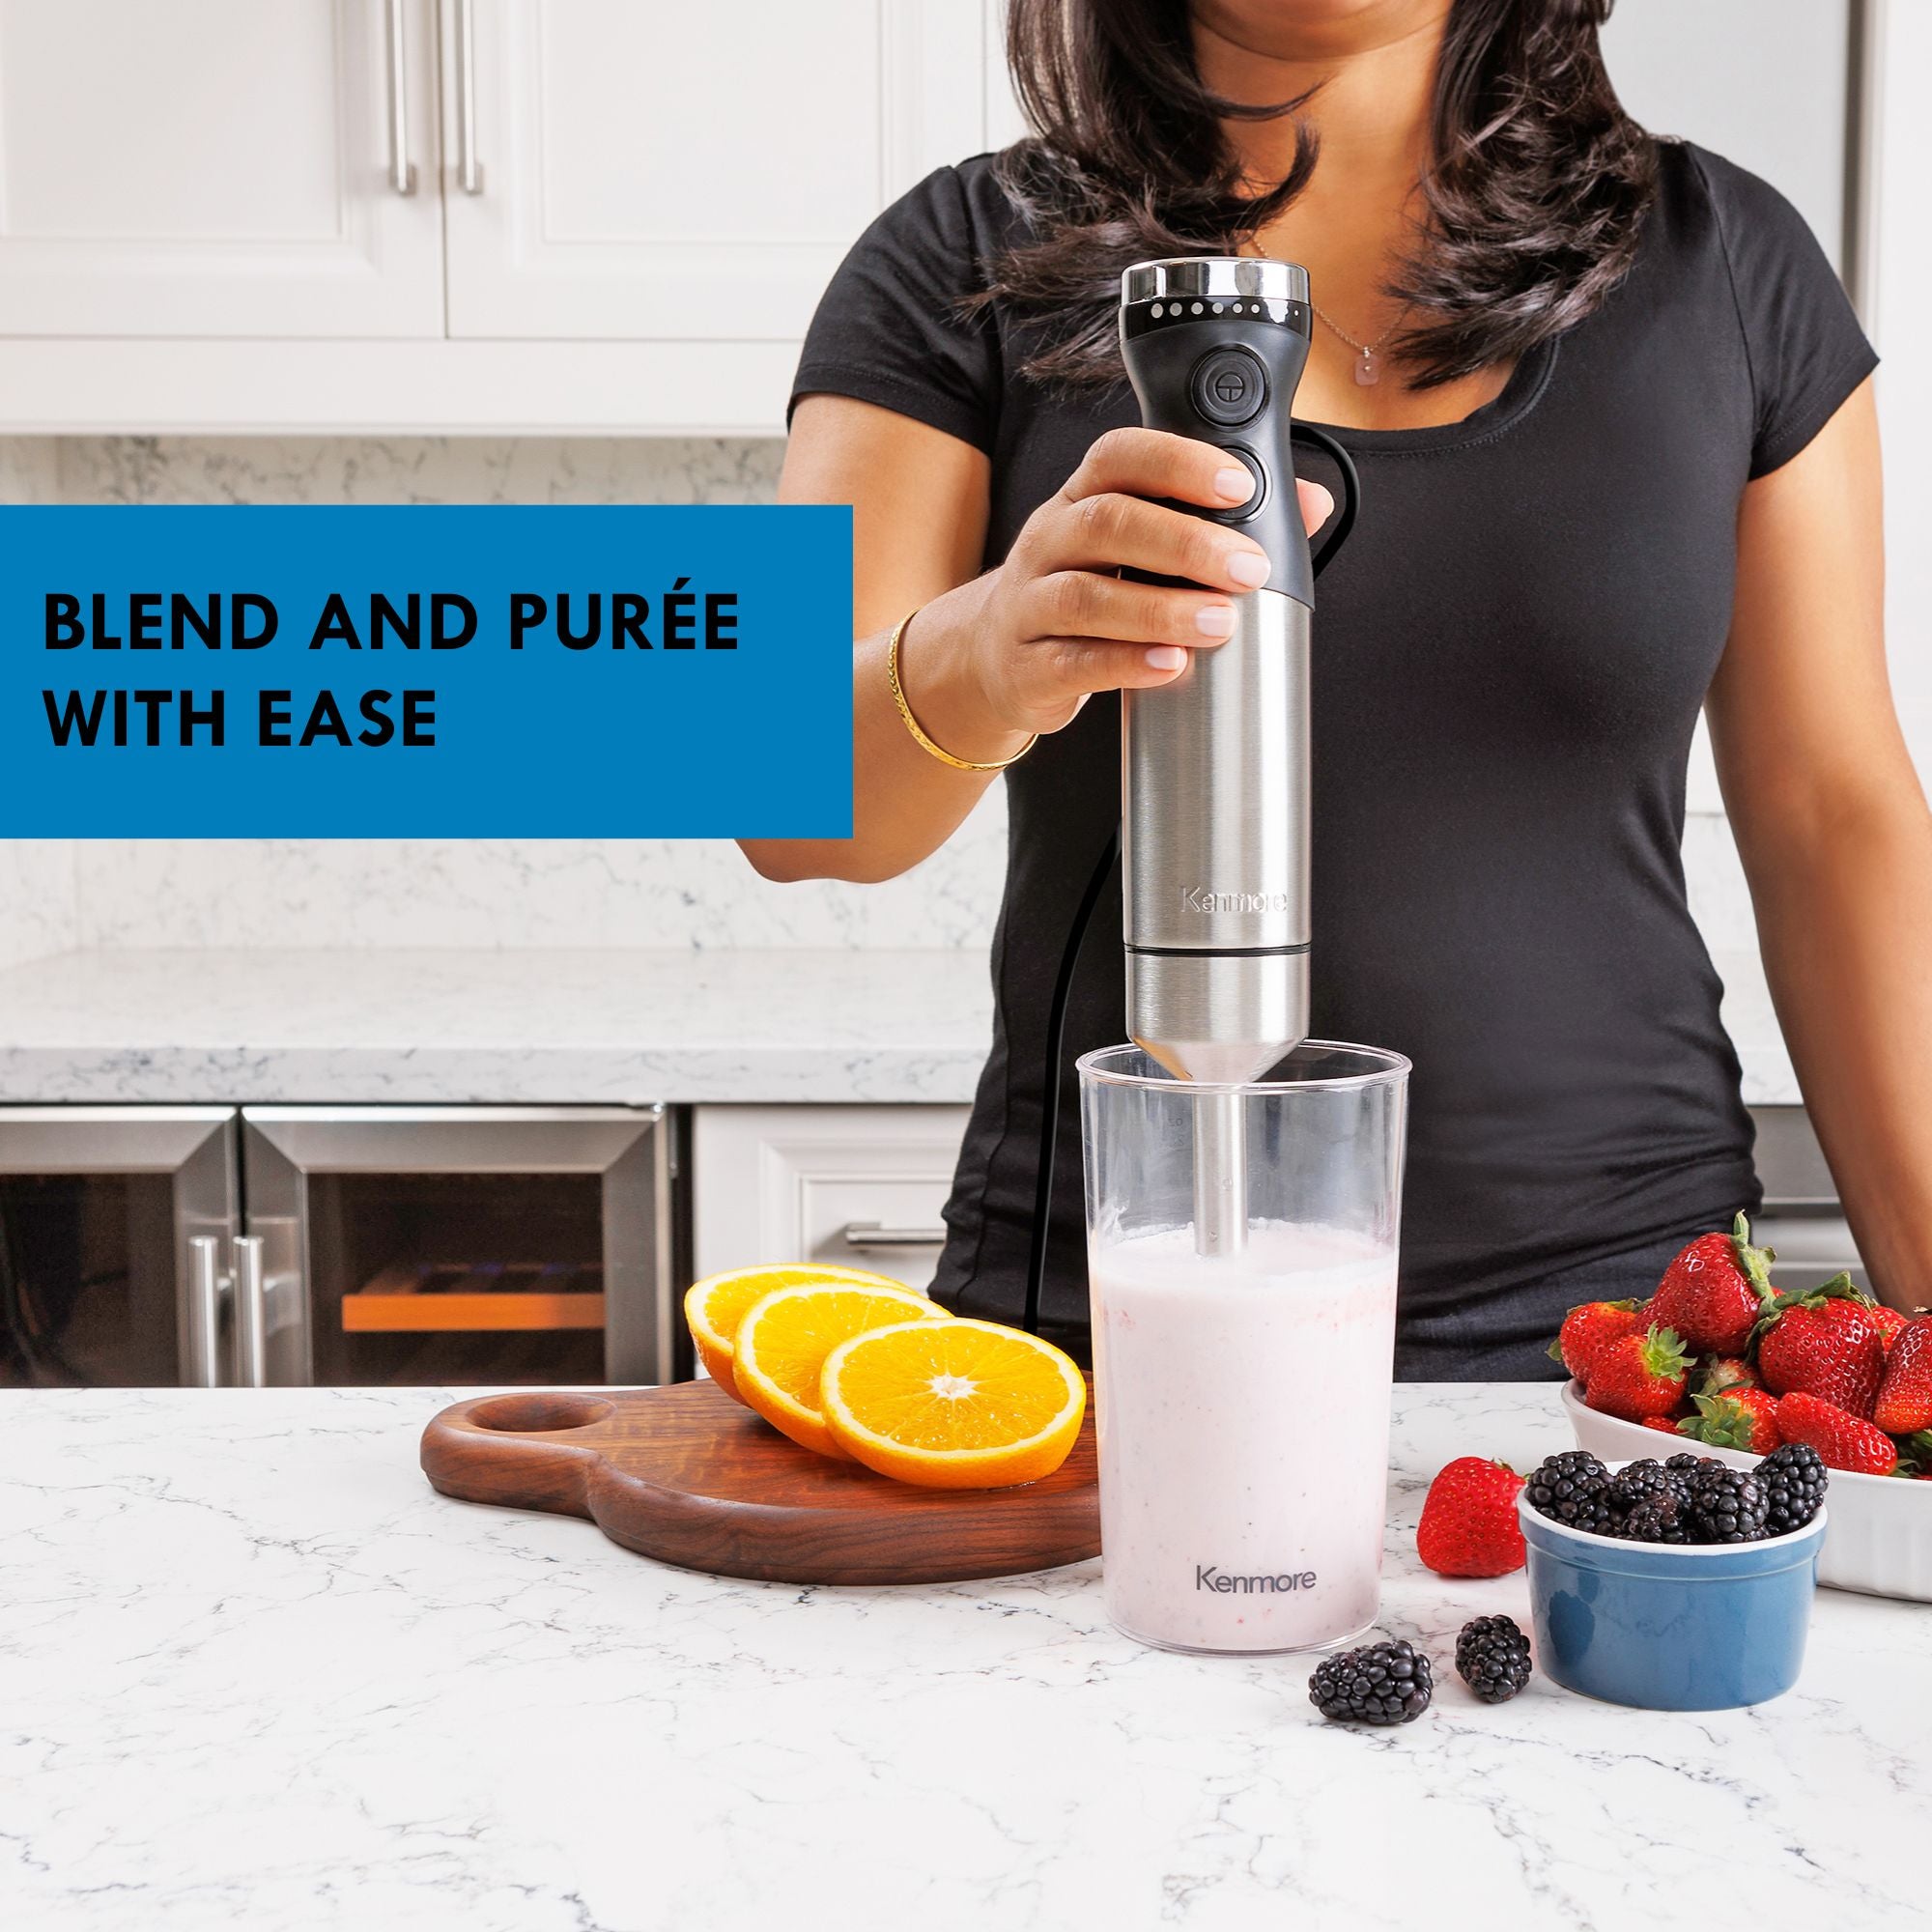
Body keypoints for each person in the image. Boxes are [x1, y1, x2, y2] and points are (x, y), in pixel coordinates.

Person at [743, 0, 1931, 1377]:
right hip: (1114, 1312)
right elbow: (791, 812)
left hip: (1640, 1349)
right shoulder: (959, 259)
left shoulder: (1725, 261)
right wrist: (995, 644)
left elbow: (1834, 815)